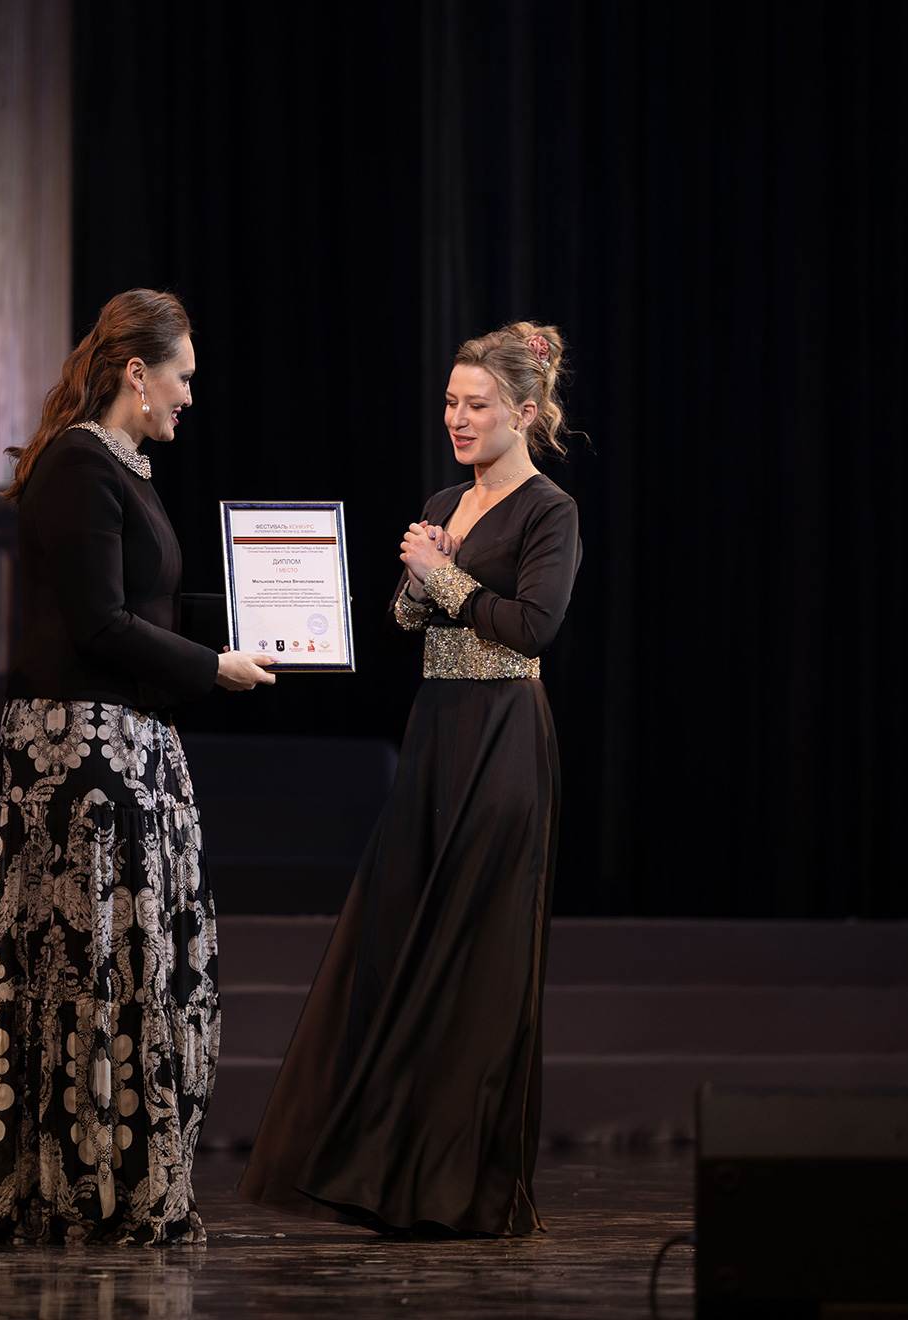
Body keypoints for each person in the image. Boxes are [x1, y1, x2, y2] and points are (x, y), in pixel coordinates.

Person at [0, 289, 276, 1245]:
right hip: (82, 763)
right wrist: (211, 667)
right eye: (183, 377)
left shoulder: (118, 467)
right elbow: (98, 623)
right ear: (138, 372)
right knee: (89, 969)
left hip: (125, 749)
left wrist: (270, 618)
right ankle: (87, 1185)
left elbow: (146, 605)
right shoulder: (79, 465)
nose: (190, 397)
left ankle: (114, 1177)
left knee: (124, 968)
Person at [238, 323, 582, 1237]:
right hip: (436, 729)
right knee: (402, 944)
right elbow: (406, 620)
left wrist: (442, 573)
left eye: (477, 406)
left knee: (478, 954)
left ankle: (462, 1184)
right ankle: (387, 1173)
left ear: (524, 412)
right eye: (451, 403)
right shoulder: (445, 499)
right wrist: (416, 576)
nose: (458, 419)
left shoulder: (549, 511)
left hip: (503, 736)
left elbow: (533, 627)